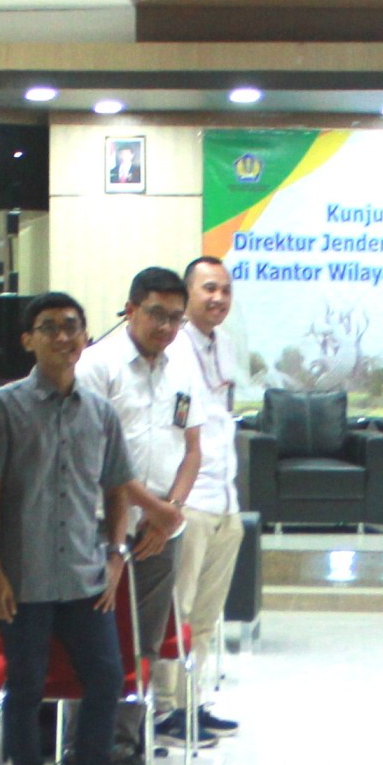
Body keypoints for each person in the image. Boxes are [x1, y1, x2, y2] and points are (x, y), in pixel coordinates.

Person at [0, 290, 142, 765]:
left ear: (85, 337)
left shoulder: (101, 412)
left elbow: (117, 489)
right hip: (23, 578)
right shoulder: (1, 407)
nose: (63, 336)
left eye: (72, 326)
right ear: (28, 339)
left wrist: (116, 553)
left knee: (107, 678)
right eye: (49, 327)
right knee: (25, 688)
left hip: (85, 577)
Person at [74, 264, 205, 754]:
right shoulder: (96, 366)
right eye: (156, 314)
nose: (167, 327)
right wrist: (154, 509)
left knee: (144, 641)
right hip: (99, 529)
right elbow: (95, 458)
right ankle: (85, 745)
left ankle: (125, 741)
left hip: (160, 532)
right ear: (130, 310)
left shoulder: (183, 368)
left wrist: (169, 511)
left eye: (176, 318)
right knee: (95, 641)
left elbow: (192, 449)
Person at [168, 255, 245, 737]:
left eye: (225, 290)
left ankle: (193, 703)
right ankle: (166, 708)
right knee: (177, 611)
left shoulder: (226, 345)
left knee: (206, 616)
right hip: (190, 498)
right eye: (208, 288)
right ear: (188, 295)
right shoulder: (174, 347)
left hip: (225, 499)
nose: (218, 298)